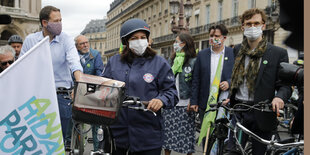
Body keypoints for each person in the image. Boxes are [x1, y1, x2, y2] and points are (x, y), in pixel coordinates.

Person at [102, 18, 178, 155]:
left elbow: (171, 92)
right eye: (134, 38)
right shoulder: (114, 62)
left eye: (143, 37)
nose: (139, 41)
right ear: (126, 41)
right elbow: (102, 88)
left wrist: (161, 100)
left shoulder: (159, 63)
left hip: (148, 134)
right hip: (118, 133)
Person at [223, 8, 292, 155]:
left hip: (262, 112)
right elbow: (237, 79)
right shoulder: (237, 50)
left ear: (263, 25)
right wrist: (230, 97)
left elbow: (285, 86)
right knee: (231, 151)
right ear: (243, 27)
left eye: (256, 23)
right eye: (248, 24)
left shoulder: (277, 53)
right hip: (239, 111)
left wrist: (279, 97)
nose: (252, 27)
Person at [19, 5, 83, 143]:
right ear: (44, 23)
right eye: (56, 21)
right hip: (37, 97)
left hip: (61, 94)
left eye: (61, 20)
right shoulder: (31, 40)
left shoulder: (66, 39)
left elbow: (74, 62)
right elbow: (21, 66)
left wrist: (79, 84)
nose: (60, 24)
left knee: (59, 139)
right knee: (38, 139)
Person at [189, 24, 235, 146]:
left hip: (224, 102)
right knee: (207, 134)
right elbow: (196, 79)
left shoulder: (232, 53)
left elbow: (239, 76)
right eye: (211, 36)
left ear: (224, 38)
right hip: (206, 102)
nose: (213, 38)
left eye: (217, 36)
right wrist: (194, 101)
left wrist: (229, 83)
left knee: (222, 135)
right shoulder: (202, 54)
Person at [162, 33, 196, 155]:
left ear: (184, 44)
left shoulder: (193, 61)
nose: (175, 44)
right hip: (171, 102)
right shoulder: (171, 60)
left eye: (177, 42)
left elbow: (195, 83)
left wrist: (193, 101)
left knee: (187, 135)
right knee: (168, 136)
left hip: (185, 102)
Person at [74, 34, 104, 151]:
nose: (85, 45)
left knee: (95, 121)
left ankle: (96, 149)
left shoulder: (95, 54)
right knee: (74, 118)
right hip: (77, 88)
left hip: (92, 88)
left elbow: (99, 72)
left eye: (86, 42)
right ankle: (70, 143)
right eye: (82, 43)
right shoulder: (74, 56)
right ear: (77, 47)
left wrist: (97, 88)